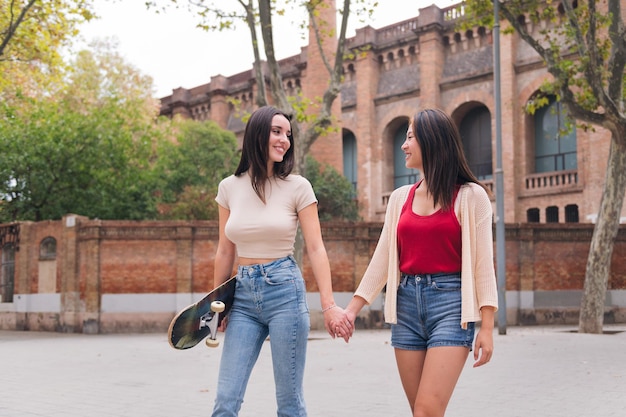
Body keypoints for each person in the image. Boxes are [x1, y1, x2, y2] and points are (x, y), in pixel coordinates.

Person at [344, 108, 498, 417]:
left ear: (432, 142)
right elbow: (382, 257)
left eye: (410, 137)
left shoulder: (472, 196)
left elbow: (483, 266)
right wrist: (352, 310)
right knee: (421, 412)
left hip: (451, 306)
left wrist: (487, 326)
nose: (404, 145)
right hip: (406, 308)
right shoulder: (400, 198)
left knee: (427, 409)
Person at [211, 105, 351, 417]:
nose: (284, 140)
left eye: (287, 134)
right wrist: (217, 304)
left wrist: (328, 306)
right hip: (243, 297)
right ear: (257, 134)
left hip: (284, 292)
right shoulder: (228, 187)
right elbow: (224, 251)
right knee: (225, 401)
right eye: (277, 131)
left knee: (289, 404)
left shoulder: (298, 187)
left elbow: (316, 248)